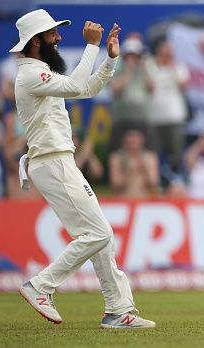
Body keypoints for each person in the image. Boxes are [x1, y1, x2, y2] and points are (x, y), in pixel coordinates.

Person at [11, 9, 155, 328]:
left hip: (58, 161)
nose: (58, 38)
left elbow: (86, 89)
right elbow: (77, 86)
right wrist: (92, 45)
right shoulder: (31, 74)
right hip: (52, 162)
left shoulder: (39, 71)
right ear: (36, 42)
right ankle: (41, 286)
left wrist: (109, 60)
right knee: (99, 233)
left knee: (99, 235)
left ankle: (118, 310)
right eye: (52, 35)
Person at [148, 39, 190, 179]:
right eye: (163, 54)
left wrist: (171, 68)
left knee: (176, 154)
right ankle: (156, 182)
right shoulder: (151, 67)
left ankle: (176, 181)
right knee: (154, 153)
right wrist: (157, 68)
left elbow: (184, 85)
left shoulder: (179, 67)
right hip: (155, 118)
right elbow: (149, 87)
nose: (166, 57)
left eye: (169, 54)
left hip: (175, 117)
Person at [109, 33, 155, 153]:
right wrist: (128, 71)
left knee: (146, 155)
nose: (133, 59)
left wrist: (144, 70)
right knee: (118, 154)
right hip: (122, 122)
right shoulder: (117, 67)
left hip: (142, 122)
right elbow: (115, 89)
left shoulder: (146, 68)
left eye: (136, 56)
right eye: (130, 56)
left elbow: (152, 88)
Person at [108, 129, 160, 198]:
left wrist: (144, 171)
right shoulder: (116, 158)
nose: (133, 142)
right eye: (131, 139)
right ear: (124, 141)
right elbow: (116, 184)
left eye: (136, 139)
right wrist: (131, 171)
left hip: (145, 200)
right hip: (124, 200)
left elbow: (154, 183)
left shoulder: (150, 157)